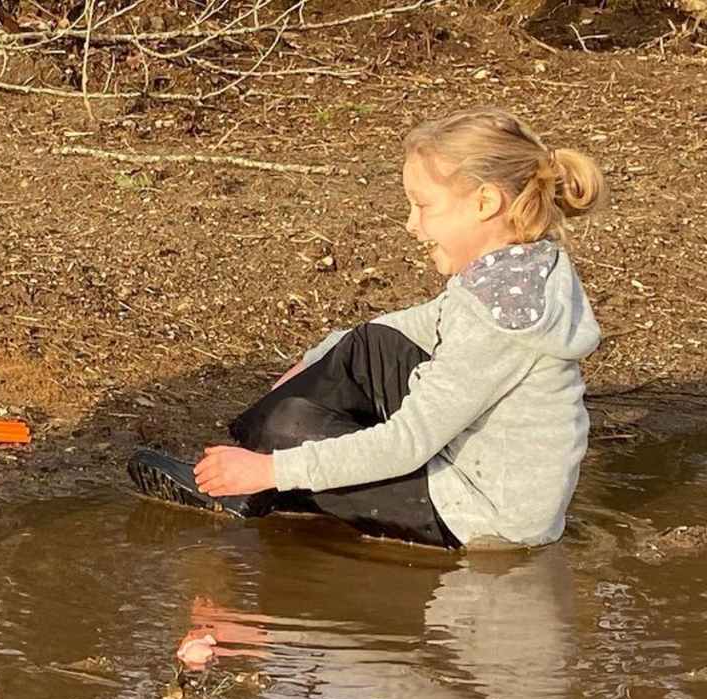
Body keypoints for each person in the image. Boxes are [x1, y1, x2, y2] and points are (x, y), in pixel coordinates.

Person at [130, 108, 606, 550]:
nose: (411, 224)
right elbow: (423, 323)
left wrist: (272, 468)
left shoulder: (496, 319)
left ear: (484, 202)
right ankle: (248, 472)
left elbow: (406, 445)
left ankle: (249, 483)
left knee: (289, 427)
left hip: (484, 520)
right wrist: (318, 359)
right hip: (486, 476)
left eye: (423, 206)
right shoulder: (523, 266)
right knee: (364, 344)